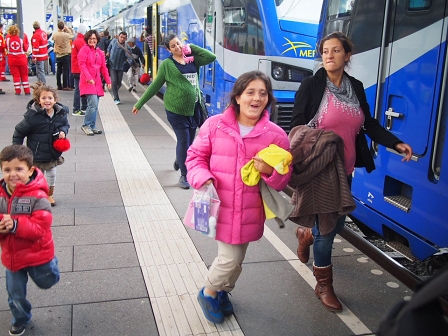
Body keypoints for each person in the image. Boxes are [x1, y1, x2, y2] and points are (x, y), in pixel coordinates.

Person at [290, 31, 413, 313]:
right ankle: (324, 285)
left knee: (338, 223)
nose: (329, 55)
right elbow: (296, 126)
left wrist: (394, 142)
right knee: (329, 229)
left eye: (335, 50)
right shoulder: (311, 85)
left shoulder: (355, 86)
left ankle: (306, 234)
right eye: (325, 51)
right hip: (318, 168)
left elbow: (368, 123)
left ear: (347, 56)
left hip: (344, 169)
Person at [186, 70, 291, 323]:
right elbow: (195, 158)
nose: (257, 98)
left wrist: (269, 173)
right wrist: (203, 177)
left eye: (263, 93)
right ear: (238, 97)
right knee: (229, 258)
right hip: (219, 207)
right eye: (250, 92)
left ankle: (223, 291)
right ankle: (209, 292)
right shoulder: (214, 125)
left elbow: (284, 177)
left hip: (249, 211)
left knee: (237, 259)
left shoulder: (276, 135)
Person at [132, 34, 216, 189]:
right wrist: (140, 103)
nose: (177, 47)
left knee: (190, 143)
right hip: (176, 110)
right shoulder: (167, 65)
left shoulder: (193, 58)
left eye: (178, 43)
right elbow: (155, 85)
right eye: (173, 46)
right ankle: (184, 175)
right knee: (184, 141)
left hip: (194, 108)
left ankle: (180, 159)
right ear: (168, 50)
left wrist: (192, 47)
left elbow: (211, 57)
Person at [0, 144, 60, 336]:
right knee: (15, 294)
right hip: (13, 257)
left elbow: (40, 229)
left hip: (37, 254)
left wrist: (16, 225)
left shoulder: (38, 197)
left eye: (19, 169)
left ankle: (52, 266)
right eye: (7, 170)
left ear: (31, 170)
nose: (13, 174)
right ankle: (20, 319)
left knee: (47, 281)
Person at [12, 82, 70, 206]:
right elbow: (19, 131)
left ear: (55, 100)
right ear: (38, 100)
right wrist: (17, 150)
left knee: (52, 175)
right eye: (43, 98)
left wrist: (63, 131)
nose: (47, 101)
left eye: (50, 98)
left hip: (52, 153)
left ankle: (49, 195)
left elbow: (66, 125)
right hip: (36, 154)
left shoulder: (60, 114)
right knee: (37, 177)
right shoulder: (32, 117)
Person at [78, 29, 111, 136]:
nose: (92, 40)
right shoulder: (84, 50)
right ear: (87, 39)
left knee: (95, 105)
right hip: (87, 82)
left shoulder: (99, 52)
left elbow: (103, 68)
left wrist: (108, 80)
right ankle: (86, 125)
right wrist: (88, 78)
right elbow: (82, 66)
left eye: (94, 39)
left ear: (97, 40)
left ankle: (92, 125)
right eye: (90, 39)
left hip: (97, 83)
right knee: (92, 104)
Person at [106, 31, 132, 104]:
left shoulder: (126, 46)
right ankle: (116, 98)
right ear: (118, 37)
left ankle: (115, 92)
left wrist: (129, 62)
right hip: (112, 65)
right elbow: (109, 47)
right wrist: (108, 52)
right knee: (114, 81)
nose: (122, 39)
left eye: (124, 38)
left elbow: (129, 56)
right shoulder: (113, 41)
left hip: (120, 66)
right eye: (121, 37)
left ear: (126, 38)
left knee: (119, 83)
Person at [5, 25, 31, 95]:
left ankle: (17, 91)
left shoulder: (7, 40)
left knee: (16, 76)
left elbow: (5, 48)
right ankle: (27, 90)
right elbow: (25, 49)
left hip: (12, 60)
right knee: (24, 75)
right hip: (22, 59)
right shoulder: (21, 40)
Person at [71, 23, 88, 117]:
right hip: (80, 69)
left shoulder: (76, 40)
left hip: (75, 68)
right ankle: (77, 108)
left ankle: (83, 107)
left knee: (80, 88)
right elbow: (85, 55)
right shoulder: (81, 42)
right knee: (79, 89)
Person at [52, 21, 74, 91]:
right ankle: (65, 85)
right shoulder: (66, 35)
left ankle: (59, 85)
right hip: (65, 54)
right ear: (63, 26)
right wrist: (67, 29)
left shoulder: (55, 35)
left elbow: (53, 39)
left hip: (58, 54)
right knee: (65, 70)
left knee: (58, 71)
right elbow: (72, 36)